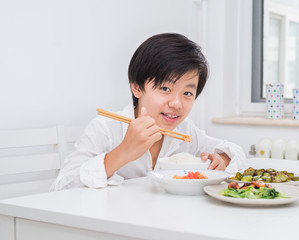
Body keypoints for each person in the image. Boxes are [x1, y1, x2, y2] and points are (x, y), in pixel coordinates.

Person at [51, 33, 246, 191]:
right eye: (165, 89)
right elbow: (61, 188)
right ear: (136, 87)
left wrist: (222, 160)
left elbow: (235, 151)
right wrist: (123, 152)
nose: (177, 103)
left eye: (187, 93)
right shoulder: (105, 128)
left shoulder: (185, 130)